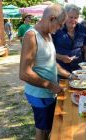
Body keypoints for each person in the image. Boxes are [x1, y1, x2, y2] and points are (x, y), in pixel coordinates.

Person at [19, 4, 67, 140]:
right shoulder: (31, 36)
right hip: (39, 94)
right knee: (42, 130)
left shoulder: (48, 35)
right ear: (52, 18)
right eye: (60, 24)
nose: (60, 28)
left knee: (50, 127)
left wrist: (71, 75)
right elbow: (24, 73)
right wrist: (51, 85)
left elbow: (51, 63)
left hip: (48, 93)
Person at [52, 4, 86, 79]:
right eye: (70, 17)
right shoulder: (56, 29)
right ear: (65, 16)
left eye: (76, 18)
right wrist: (61, 57)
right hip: (60, 71)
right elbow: (48, 52)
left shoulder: (82, 29)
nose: (73, 20)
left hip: (79, 71)